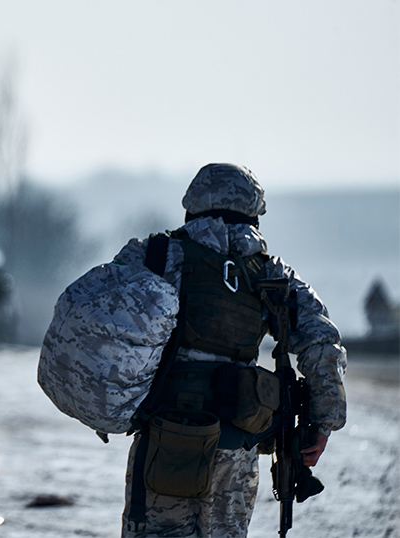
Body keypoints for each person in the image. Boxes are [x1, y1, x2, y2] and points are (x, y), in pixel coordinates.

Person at [112, 164, 347, 537]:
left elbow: (104, 325)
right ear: (253, 213)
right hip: (236, 448)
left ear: (192, 207)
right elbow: (322, 343)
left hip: (163, 442)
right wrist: (323, 423)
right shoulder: (272, 274)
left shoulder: (157, 256)